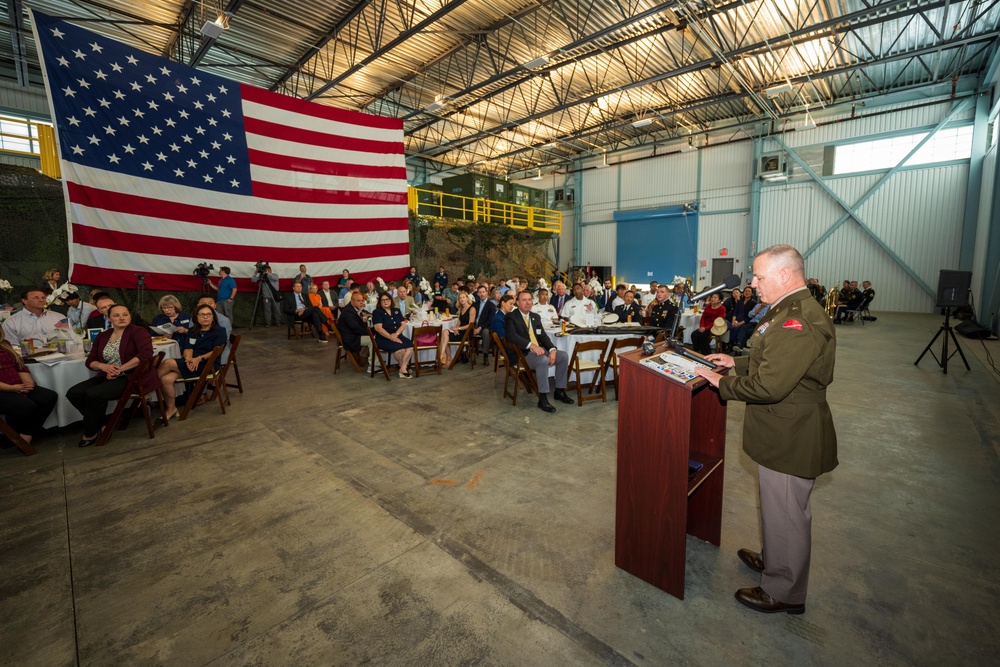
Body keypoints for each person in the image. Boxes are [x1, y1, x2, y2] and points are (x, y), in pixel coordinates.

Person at [694, 244, 837, 616]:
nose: (753, 283)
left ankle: (784, 590)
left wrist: (720, 382)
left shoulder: (798, 320)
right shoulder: (788, 310)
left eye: (759, 276)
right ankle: (775, 556)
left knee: (787, 509)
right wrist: (735, 361)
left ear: (785, 275)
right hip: (782, 426)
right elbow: (772, 360)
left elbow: (770, 385)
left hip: (791, 432)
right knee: (778, 507)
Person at [67, 304, 157, 447]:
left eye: (125, 314)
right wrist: (104, 367)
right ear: (108, 318)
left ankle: (91, 432)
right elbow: (90, 360)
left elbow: (145, 355)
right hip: (107, 374)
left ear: (130, 316)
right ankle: (103, 422)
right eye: (116, 315)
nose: (122, 318)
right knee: (74, 393)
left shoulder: (138, 332)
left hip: (132, 377)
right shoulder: (103, 336)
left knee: (94, 394)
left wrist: (120, 369)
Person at [157, 304, 229, 421]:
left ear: (213, 317)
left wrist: (198, 358)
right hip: (191, 362)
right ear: (196, 317)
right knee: (165, 380)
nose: (205, 317)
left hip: (208, 364)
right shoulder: (192, 330)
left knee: (168, 363)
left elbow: (216, 351)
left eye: (208, 314)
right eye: (202, 314)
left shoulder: (219, 331)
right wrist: (188, 359)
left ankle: (146, 388)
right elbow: (188, 348)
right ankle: (171, 408)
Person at [505, 291, 573, 413]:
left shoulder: (535, 317)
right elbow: (511, 336)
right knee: (542, 360)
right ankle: (542, 399)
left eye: (529, 300)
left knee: (562, 356)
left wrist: (552, 349)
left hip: (539, 351)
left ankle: (559, 391)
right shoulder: (511, 316)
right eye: (524, 300)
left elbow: (543, 337)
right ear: (518, 302)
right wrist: (531, 345)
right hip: (523, 354)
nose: (527, 303)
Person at [0, 327, 57, 446]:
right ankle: (11, 434)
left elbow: (19, 365)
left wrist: (28, 381)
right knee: (26, 406)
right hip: (4, 389)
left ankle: (27, 433)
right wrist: (12, 388)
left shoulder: (5, 344)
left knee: (48, 397)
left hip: (18, 385)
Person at [371, 292, 414, 378]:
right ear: (379, 302)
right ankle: (404, 369)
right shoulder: (377, 312)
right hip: (384, 338)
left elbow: (403, 324)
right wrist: (391, 337)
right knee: (400, 350)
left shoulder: (396, 311)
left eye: (387, 299)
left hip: (397, 335)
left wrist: (396, 334)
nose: (385, 301)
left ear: (391, 300)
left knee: (410, 346)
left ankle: (402, 368)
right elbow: (378, 328)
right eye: (382, 300)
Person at [2, 289, 66, 346]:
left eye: (43, 298)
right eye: (36, 298)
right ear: (24, 301)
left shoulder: (59, 317)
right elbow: (12, 346)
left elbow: (68, 338)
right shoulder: (11, 322)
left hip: (59, 355)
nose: (41, 300)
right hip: (28, 357)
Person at [338, 290, 373, 369]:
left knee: (373, 337)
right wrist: (371, 332)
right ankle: (374, 365)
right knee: (372, 340)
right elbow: (356, 329)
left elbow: (359, 326)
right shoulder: (348, 312)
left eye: (362, 300)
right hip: (351, 339)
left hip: (354, 335)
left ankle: (363, 357)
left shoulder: (355, 309)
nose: (361, 303)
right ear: (352, 301)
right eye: (358, 301)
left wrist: (364, 320)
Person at [449, 291, 478, 363]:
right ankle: (447, 357)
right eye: (460, 298)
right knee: (444, 333)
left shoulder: (472, 309)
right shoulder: (461, 309)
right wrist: (455, 328)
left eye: (463, 297)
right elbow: (459, 322)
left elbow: (470, 325)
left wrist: (457, 328)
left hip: (467, 333)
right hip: (460, 331)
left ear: (467, 298)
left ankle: (450, 358)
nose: (462, 299)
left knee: (445, 337)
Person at [473, 285, 496, 358]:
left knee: (486, 333)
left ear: (487, 293)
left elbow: (490, 320)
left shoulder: (491, 305)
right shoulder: (475, 304)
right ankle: (465, 353)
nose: (482, 294)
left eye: (483, 292)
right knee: (465, 330)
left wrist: (479, 328)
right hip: (474, 325)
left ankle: (485, 355)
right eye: (480, 292)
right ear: (477, 294)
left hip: (485, 326)